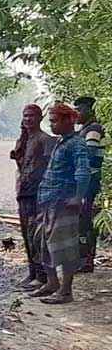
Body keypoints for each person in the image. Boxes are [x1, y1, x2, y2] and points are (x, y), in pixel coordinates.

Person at [30, 103, 91, 304]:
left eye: (55, 121)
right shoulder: (61, 142)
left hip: (64, 203)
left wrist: (78, 197)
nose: (52, 125)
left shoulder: (77, 144)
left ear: (68, 121)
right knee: (43, 244)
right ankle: (52, 283)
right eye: (51, 121)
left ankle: (66, 291)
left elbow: (82, 172)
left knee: (64, 247)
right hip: (49, 201)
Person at [9, 104, 56, 289]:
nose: (28, 119)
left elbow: (52, 169)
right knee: (26, 235)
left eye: (31, 116)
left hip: (39, 194)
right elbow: (23, 167)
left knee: (37, 236)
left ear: (40, 118)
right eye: (25, 116)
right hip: (24, 192)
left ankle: (43, 275)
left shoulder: (45, 140)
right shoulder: (25, 140)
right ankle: (33, 272)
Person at [74, 97, 104, 273]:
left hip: (89, 182)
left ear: (90, 110)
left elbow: (89, 156)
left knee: (85, 221)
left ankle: (86, 260)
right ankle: (82, 258)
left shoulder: (93, 130)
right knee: (81, 221)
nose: (77, 113)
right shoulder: (85, 130)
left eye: (79, 109)